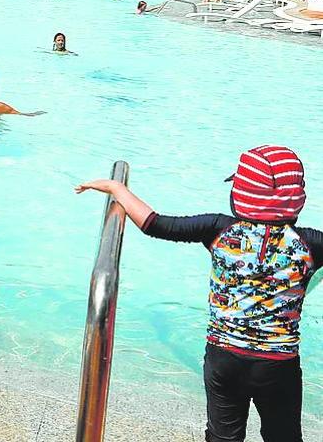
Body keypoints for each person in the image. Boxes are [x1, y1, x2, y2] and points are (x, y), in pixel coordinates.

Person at [75, 146, 320, 442]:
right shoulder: (311, 244)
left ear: (239, 195)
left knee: (222, 436)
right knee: (284, 436)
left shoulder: (219, 229)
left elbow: (156, 224)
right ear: (297, 199)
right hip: (279, 365)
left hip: (224, 358)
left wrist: (116, 187)